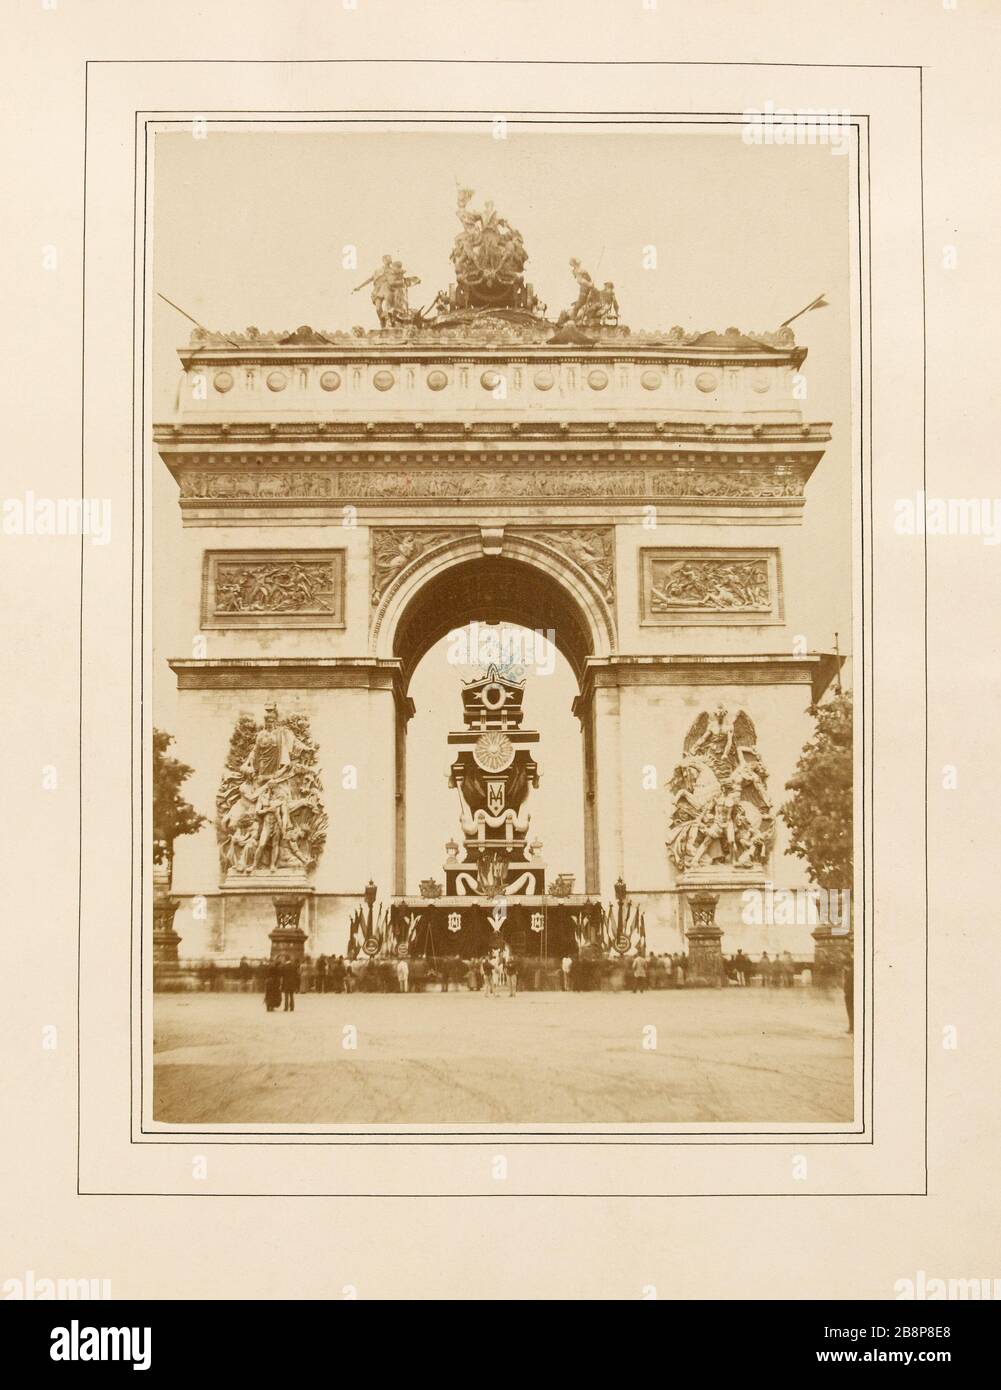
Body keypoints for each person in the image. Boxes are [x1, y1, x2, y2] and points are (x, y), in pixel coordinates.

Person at [843, 957, 854, 1034]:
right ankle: (852, 1028)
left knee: (850, 1012)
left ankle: (851, 1028)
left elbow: (848, 986)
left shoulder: (850, 973)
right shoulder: (852, 972)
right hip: (851, 995)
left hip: (850, 996)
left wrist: (846, 993)